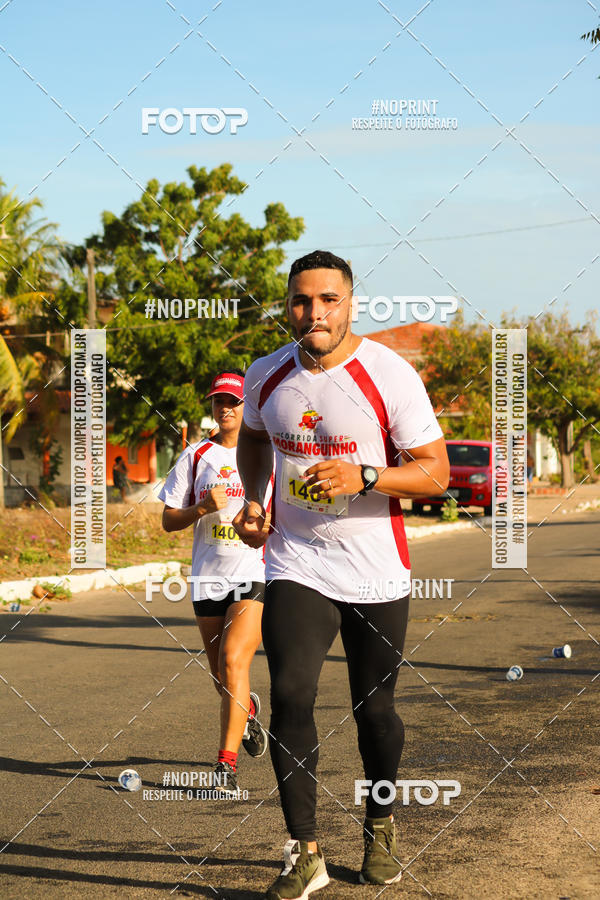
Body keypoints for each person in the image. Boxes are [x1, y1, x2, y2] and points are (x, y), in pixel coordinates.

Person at [233, 251, 450, 897]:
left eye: (328, 299)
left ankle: (379, 825)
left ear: (351, 302)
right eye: (302, 300)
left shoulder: (388, 373)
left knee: (374, 710)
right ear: (287, 305)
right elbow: (252, 438)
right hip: (297, 562)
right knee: (292, 694)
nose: (314, 313)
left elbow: (435, 472)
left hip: (375, 565)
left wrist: (367, 476)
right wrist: (253, 499)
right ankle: (304, 852)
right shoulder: (267, 374)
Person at [159, 369, 271, 793]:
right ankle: (248, 715)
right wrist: (202, 506)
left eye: (233, 402)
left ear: (247, 407)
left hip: (254, 572)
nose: (224, 408)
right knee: (221, 678)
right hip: (207, 578)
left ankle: (225, 766)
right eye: (218, 401)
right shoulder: (196, 456)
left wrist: (267, 523)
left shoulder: (268, 454)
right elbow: (169, 519)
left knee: (232, 660)